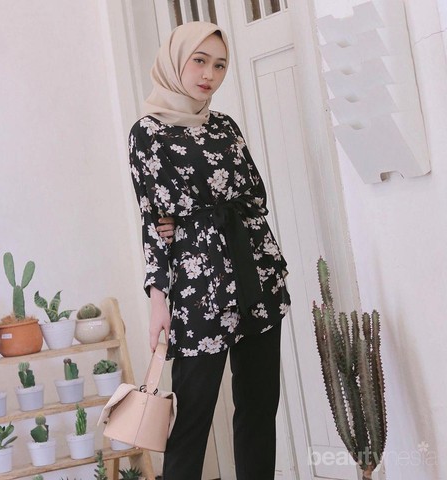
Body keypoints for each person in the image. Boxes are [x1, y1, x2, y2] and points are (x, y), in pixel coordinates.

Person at [129, 21, 291, 480]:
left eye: (220, 65)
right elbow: (153, 221)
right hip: (199, 287)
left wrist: (189, 217)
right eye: (199, 61)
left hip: (255, 274)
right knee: (191, 416)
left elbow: (254, 195)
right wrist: (158, 299)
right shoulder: (148, 133)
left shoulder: (224, 125)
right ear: (174, 62)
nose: (209, 74)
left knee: (258, 406)